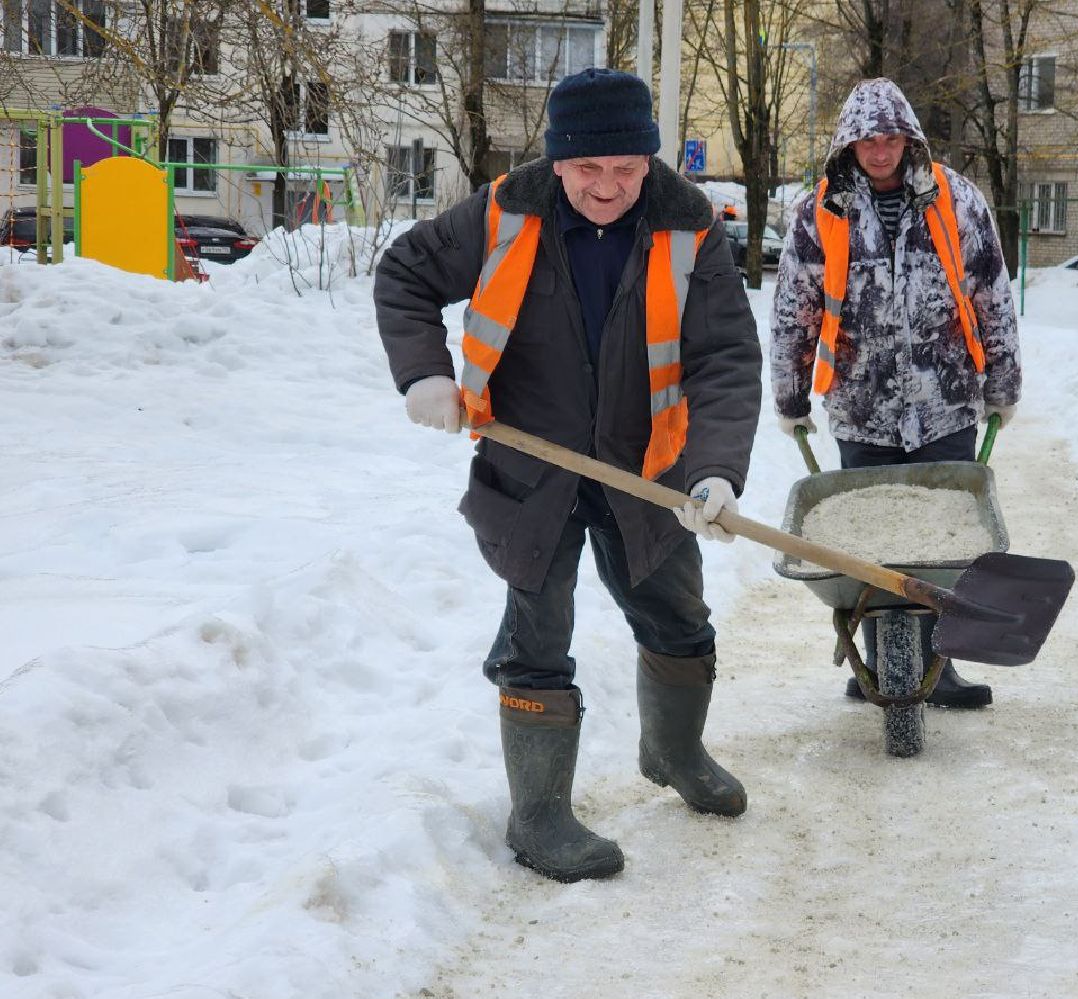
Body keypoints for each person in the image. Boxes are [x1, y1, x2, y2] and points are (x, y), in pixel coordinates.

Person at [374, 68, 763, 884]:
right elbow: (405, 274)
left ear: (648, 162)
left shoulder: (690, 226)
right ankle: (541, 813)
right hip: (530, 468)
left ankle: (674, 751)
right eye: (589, 169)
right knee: (537, 636)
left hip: (646, 470)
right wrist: (423, 375)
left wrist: (718, 470)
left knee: (679, 616)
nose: (608, 188)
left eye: (627, 169)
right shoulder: (502, 214)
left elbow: (727, 357)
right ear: (557, 162)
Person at [771, 77, 1021, 710]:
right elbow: (794, 311)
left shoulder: (957, 199)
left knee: (949, 542)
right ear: (847, 143)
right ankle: (879, 661)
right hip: (861, 408)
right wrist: (791, 397)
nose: (879, 151)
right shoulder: (818, 211)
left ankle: (943, 666)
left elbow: (992, 292)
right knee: (871, 545)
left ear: (909, 139)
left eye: (890, 138)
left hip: (946, 402)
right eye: (866, 139)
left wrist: (1003, 382)